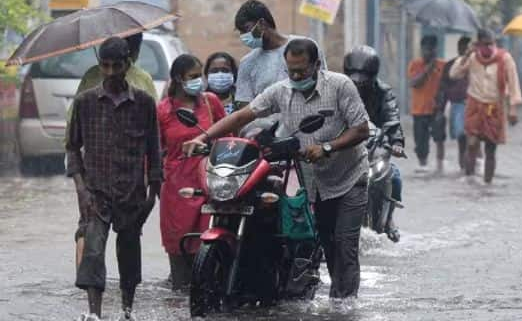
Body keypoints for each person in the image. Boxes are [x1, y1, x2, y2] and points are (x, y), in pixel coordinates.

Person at [183, 39, 369, 299]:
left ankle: (345, 307)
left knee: (345, 245)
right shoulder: (281, 91)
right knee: (327, 242)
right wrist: (201, 139)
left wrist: (327, 147)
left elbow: (361, 129)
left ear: (317, 65)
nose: (295, 76)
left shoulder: (340, 86)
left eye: (301, 71)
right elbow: (242, 116)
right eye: (290, 70)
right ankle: (335, 295)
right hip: (314, 181)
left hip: (349, 177)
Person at [66, 37, 161, 320]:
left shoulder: (143, 103)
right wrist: (81, 189)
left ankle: (127, 310)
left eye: (116, 66)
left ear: (127, 65)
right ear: (100, 65)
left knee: (129, 252)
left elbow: (154, 150)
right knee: (93, 250)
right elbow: (72, 147)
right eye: (105, 66)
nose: (110, 72)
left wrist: (153, 194)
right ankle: (94, 313)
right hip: (95, 191)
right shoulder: (85, 101)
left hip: (132, 190)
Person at [158, 55, 226, 290]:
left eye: (200, 76)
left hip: (209, 183)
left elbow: (228, 134)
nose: (200, 81)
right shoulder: (163, 111)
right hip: (176, 188)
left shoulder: (210, 102)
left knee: (209, 244)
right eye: (193, 77)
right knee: (178, 248)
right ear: (178, 79)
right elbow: (154, 151)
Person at [344, 45, 405, 242]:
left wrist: (396, 142)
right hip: (344, 144)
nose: (359, 82)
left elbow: (392, 117)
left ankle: (389, 219)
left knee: (394, 176)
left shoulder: (383, 92)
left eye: (364, 77)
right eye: (355, 76)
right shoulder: (340, 88)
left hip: (375, 145)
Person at [450, 29, 522, 184]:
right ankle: (469, 177)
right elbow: (454, 74)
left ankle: (487, 184)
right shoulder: (472, 58)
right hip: (474, 104)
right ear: (478, 44)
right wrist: (465, 56)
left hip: (495, 107)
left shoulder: (505, 58)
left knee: (490, 149)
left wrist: (513, 109)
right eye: (485, 44)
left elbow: (514, 85)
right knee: (471, 144)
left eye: (491, 43)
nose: (488, 47)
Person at [234, 0, 326, 108]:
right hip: (265, 124)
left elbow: (323, 87)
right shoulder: (247, 63)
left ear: (262, 23)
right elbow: (245, 105)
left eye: (246, 29)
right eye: (241, 33)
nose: (244, 36)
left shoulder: (306, 47)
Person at [407, 35, 447, 172]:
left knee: (440, 138)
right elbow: (414, 83)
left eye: (431, 49)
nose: (428, 52)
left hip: (437, 110)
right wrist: (428, 69)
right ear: (421, 49)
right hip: (419, 111)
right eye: (425, 49)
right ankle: (423, 167)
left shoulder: (443, 65)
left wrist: (442, 105)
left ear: (436, 49)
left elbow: (447, 86)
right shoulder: (415, 64)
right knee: (421, 145)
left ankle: (439, 167)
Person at [435, 36, 471, 172]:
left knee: (474, 140)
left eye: (468, 48)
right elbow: (443, 88)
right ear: (459, 48)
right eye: (463, 48)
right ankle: (464, 170)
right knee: (462, 139)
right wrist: (440, 110)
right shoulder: (450, 65)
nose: (466, 51)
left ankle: (472, 170)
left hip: (474, 105)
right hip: (457, 105)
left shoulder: (477, 64)